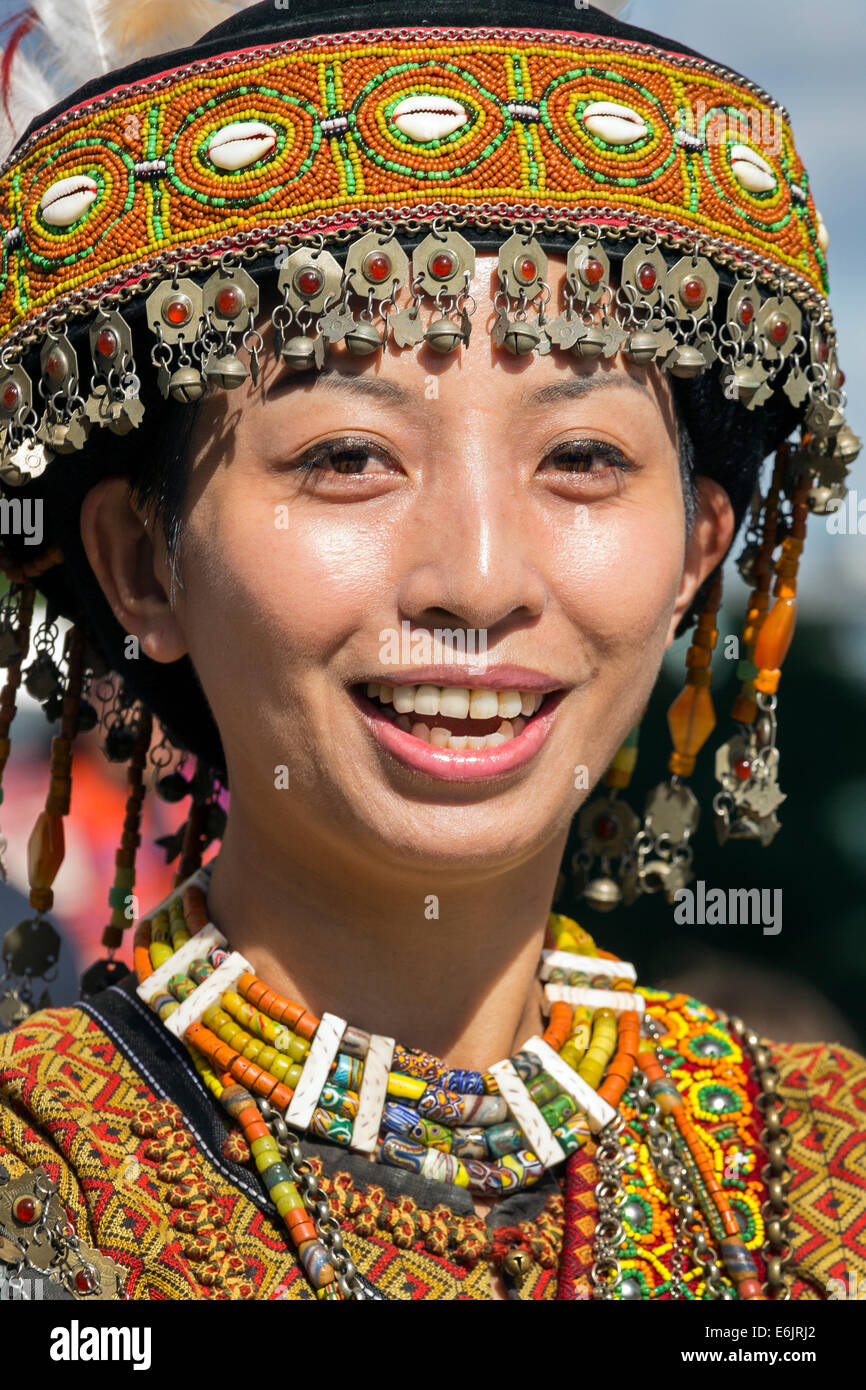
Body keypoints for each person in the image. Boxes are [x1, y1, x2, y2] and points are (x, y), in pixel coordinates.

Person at [0, 0, 861, 1303]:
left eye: (580, 460)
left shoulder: (817, 1169)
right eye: (346, 458)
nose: (474, 576)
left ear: (696, 551)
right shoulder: (44, 1174)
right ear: (142, 563)